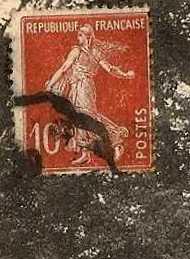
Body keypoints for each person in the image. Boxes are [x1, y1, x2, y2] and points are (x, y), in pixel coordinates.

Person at [43, 24, 134, 165]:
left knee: (89, 116)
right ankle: (85, 153)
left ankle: (116, 142)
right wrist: (125, 75)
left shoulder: (81, 51)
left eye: (80, 35)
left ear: (88, 37)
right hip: (76, 87)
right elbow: (65, 68)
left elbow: (64, 68)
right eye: (78, 34)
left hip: (84, 86)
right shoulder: (88, 52)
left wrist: (50, 85)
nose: (77, 37)